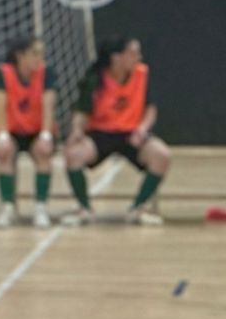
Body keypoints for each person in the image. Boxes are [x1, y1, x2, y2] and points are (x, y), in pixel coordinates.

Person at [62, 37, 170, 226]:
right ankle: (84, 208)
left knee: (162, 155)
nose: (139, 57)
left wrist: (142, 129)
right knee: (73, 155)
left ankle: (138, 208)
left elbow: (151, 109)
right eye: (133, 53)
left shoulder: (141, 75)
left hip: (131, 134)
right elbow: (81, 111)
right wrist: (77, 131)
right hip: (100, 134)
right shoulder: (95, 79)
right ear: (116, 57)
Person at [0, 37, 58, 229]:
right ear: (20, 56)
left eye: (41, 54)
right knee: (4, 151)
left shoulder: (46, 73)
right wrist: (2, 135)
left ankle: (40, 207)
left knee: (44, 151)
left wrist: (46, 135)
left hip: (36, 130)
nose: (39, 58)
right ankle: (8, 206)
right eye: (34, 54)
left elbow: (48, 105)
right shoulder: (4, 73)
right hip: (11, 129)